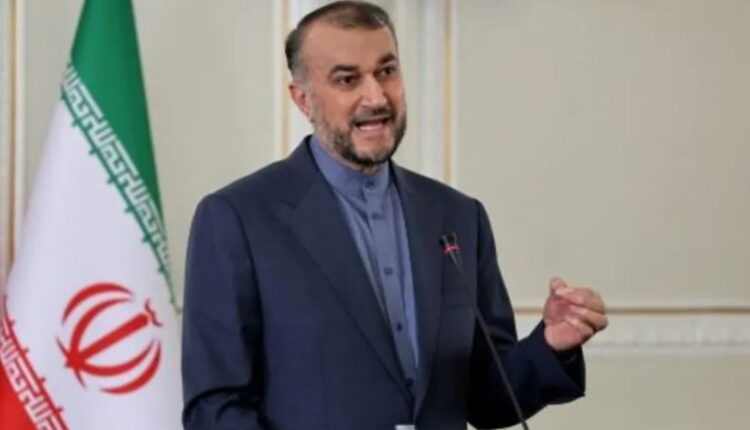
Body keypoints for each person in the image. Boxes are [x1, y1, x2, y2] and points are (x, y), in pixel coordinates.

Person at [181, 2, 608, 429]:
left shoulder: (459, 216)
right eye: (348, 79)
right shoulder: (237, 219)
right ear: (303, 100)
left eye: (386, 71)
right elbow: (216, 408)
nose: (376, 97)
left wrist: (551, 344)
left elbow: (487, 398)